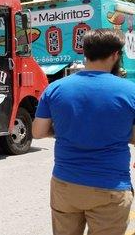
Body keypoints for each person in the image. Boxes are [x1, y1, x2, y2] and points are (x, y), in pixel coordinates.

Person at [32, 29, 135, 235]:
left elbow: (38, 132)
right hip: (110, 186)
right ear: (115, 55)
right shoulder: (130, 90)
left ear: (84, 53)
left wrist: (66, 129)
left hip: (65, 184)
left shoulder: (56, 88)